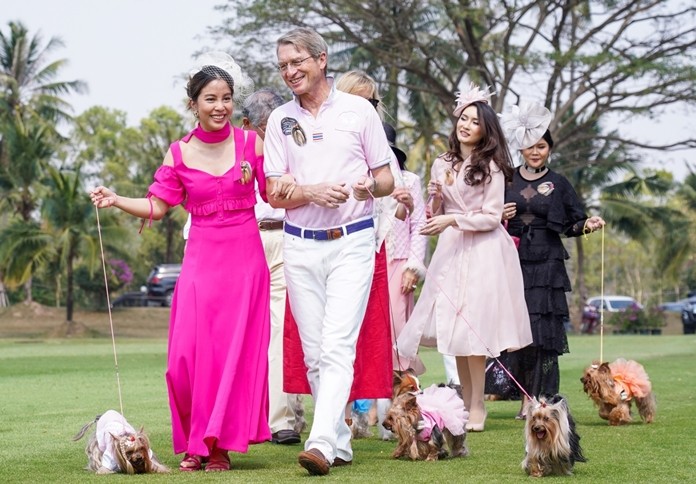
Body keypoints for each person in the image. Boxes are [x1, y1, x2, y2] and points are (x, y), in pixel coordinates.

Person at [90, 52, 270, 472]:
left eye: (226, 97)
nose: (220, 106)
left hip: (245, 262)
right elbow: (157, 205)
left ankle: (218, 448)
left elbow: (277, 190)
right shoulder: (179, 153)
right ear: (194, 104)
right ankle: (195, 441)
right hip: (201, 263)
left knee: (230, 355)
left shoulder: (251, 143)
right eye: (210, 98)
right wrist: (116, 200)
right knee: (184, 361)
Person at [263, 28, 395, 475]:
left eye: (296, 61)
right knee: (315, 351)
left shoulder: (359, 112)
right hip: (300, 244)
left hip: (352, 241)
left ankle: (319, 442)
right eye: (282, 65)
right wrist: (312, 192)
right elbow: (275, 192)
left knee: (338, 344)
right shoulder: (281, 119)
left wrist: (367, 186)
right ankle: (338, 440)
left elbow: (386, 179)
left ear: (321, 59)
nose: (289, 71)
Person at [396, 83, 532, 433]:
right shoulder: (442, 162)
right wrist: (435, 200)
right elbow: (433, 213)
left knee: (475, 329)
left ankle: (477, 406)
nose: (466, 125)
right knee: (454, 329)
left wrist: (452, 218)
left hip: (484, 250)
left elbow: (491, 216)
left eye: (474, 120)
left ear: (486, 129)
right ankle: (463, 402)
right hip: (452, 250)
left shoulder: (493, 166)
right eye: (463, 118)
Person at [500, 100, 605, 418]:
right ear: (520, 148)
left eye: (541, 146)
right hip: (512, 262)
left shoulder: (559, 184)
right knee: (518, 333)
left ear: (549, 149)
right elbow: (487, 217)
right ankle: (522, 397)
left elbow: (574, 221)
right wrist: (499, 216)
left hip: (548, 265)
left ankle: (541, 398)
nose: (535, 151)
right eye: (530, 146)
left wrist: (588, 225)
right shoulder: (505, 180)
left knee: (544, 334)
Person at [242, 88, 304, 444]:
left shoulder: (291, 143)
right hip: (250, 239)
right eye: (265, 125)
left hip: (284, 236)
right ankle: (255, 416)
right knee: (253, 330)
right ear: (249, 124)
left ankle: (279, 418)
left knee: (280, 329)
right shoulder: (238, 150)